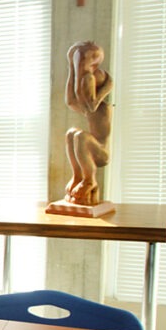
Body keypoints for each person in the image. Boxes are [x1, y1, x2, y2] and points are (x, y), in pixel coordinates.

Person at [63, 41, 114, 206]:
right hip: (91, 148)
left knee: (81, 137)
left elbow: (91, 105)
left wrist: (105, 86)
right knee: (71, 133)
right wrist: (72, 68)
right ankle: (78, 176)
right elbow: (71, 102)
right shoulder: (91, 109)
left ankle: (89, 180)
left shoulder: (104, 108)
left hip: (101, 151)